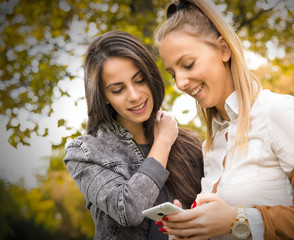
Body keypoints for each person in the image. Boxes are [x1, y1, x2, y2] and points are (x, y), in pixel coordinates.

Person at [154, 0, 294, 239]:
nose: (180, 83)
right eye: (172, 73)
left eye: (188, 64)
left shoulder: (276, 112)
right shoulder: (211, 144)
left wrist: (239, 220)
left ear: (224, 49)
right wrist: (191, 229)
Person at [63, 30, 204, 240]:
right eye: (118, 90)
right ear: (104, 97)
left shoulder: (191, 144)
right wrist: (163, 142)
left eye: (139, 81)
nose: (134, 96)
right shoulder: (85, 152)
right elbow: (128, 210)